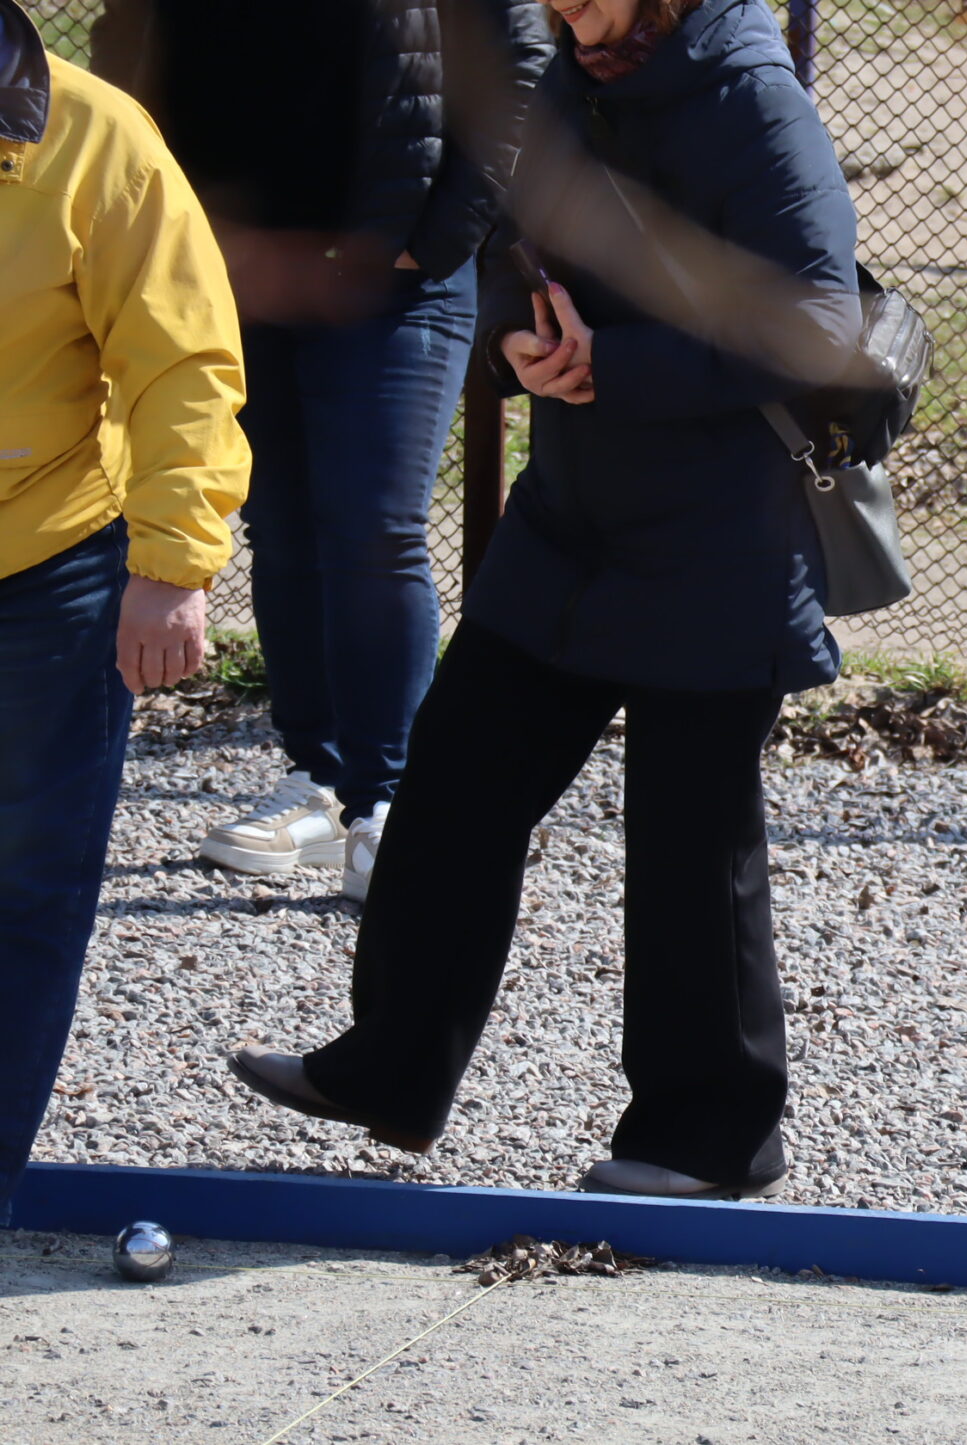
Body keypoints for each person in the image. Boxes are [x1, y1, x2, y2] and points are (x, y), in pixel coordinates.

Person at [223, 0, 866, 1200]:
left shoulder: (750, 97)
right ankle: (390, 1070)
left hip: (723, 537)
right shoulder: (574, 75)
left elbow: (822, 323)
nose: (562, 4)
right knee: (453, 784)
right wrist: (517, 341)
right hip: (572, 524)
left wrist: (611, 366)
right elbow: (513, 258)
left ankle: (709, 1140)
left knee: (690, 845)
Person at [92, 0, 552, 903]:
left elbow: (522, 59)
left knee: (374, 529)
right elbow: (126, 42)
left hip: (395, 272)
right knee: (282, 525)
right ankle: (319, 780)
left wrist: (446, 230)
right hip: (231, 266)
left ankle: (390, 804)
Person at [0, 0, 250, 1219]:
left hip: (46, 560)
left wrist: (174, 561)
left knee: (23, 888)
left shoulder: (100, 140)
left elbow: (179, 362)